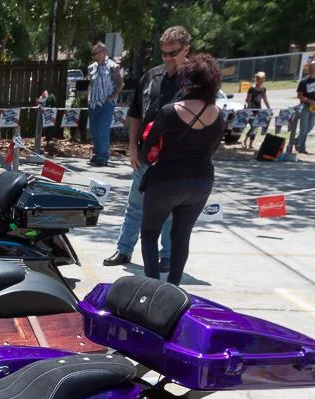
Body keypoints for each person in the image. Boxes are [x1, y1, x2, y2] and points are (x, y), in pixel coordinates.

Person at [101, 25, 189, 270]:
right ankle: (124, 250)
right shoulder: (151, 76)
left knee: (170, 211)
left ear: (186, 50)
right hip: (145, 154)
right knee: (135, 206)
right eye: (164, 53)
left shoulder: (194, 79)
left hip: (177, 158)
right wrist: (132, 146)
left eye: (174, 53)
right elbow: (136, 114)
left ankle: (167, 256)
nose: (168, 58)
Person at [138, 54, 225, 286]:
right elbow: (213, 150)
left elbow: (146, 153)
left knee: (149, 233)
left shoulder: (169, 111)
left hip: (166, 180)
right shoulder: (218, 115)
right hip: (201, 181)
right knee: (181, 236)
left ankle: (153, 286)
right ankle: (174, 287)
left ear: (186, 81)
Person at [87, 42, 123, 166]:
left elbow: (120, 84)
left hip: (106, 103)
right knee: (95, 129)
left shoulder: (113, 67)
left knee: (103, 128)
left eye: (96, 53)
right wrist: (89, 99)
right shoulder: (91, 67)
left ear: (103, 52)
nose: (94, 56)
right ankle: (96, 153)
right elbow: (91, 85)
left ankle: (103, 156)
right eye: (93, 54)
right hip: (93, 103)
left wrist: (112, 97)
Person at [295, 60, 315, 155]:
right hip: (305, 106)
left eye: (314, 68)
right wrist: (309, 101)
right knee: (303, 129)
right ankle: (301, 148)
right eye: (310, 68)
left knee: (310, 126)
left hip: (314, 107)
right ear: (308, 69)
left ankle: (297, 140)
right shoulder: (304, 81)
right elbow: (299, 96)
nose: (312, 69)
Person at [243, 71, 271, 149]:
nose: (261, 81)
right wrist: (249, 111)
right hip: (251, 110)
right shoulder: (252, 88)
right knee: (253, 126)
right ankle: (245, 140)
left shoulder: (263, 89)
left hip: (258, 110)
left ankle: (250, 144)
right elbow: (248, 100)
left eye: (262, 79)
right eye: (260, 79)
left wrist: (269, 108)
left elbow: (265, 99)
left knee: (256, 126)